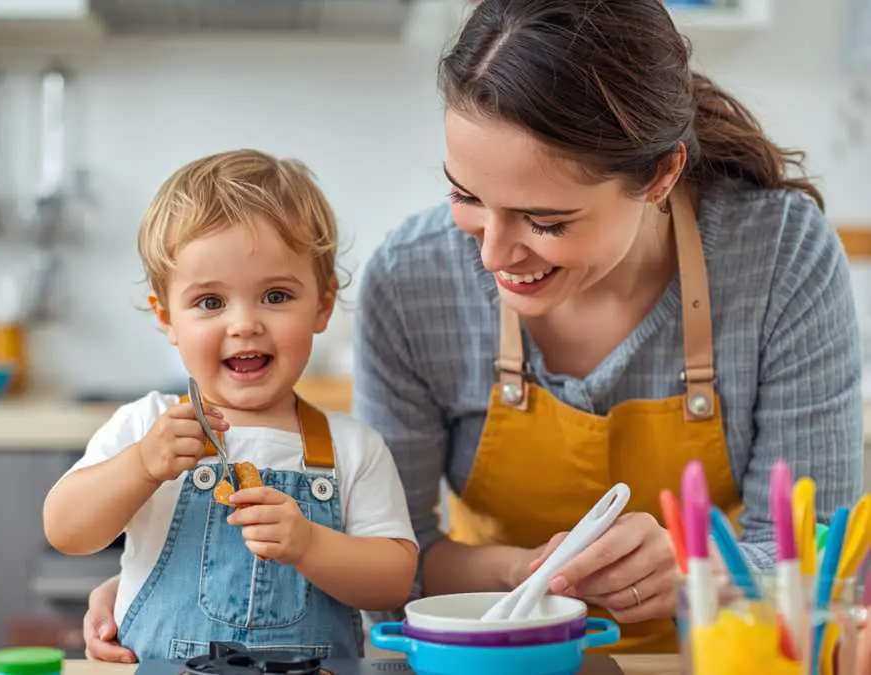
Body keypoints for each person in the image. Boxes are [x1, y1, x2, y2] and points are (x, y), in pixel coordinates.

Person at [82, 0, 864, 659]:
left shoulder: (780, 259)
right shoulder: (416, 279)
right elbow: (396, 558)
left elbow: (827, 557)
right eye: (466, 197)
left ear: (660, 175)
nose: (492, 253)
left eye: (546, 221)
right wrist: (172, 573)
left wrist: (701, 570)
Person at [44, 149, 418, 663]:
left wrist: (310, 544)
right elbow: (65, 530)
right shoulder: (144, 426)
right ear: (167, 317)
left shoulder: (353, 447)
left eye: (276, 296)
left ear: (323, 306)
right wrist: (141, 465)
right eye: (210, 302)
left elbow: (393, 583)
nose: (244, 324)